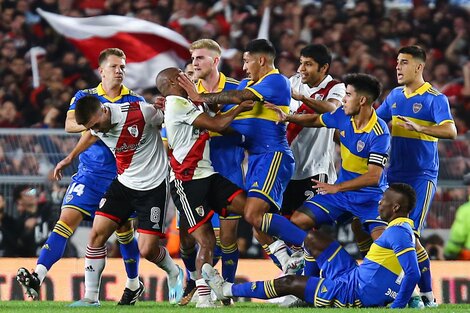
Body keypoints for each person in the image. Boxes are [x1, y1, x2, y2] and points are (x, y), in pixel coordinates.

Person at [16, 48, 144, 305]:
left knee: (124, 232)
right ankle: (37, 276)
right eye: (114, 66)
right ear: (102, 70)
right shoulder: (85, 97)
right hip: (89, 175)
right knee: (65, 222)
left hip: (121, 177)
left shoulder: (135, 101)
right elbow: (68, 124)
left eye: (122, 67)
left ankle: (133, 283)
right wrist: (95, 122)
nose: (119, 71)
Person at [53, 95, 184, 306]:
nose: (98, 130)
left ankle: (174, 271)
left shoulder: (141, 112)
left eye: (96, 125)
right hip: (123, 184)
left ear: (104, 110)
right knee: (96, 235)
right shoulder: (97, 126)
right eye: (91, 127)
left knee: (147, 250)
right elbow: (91, 135)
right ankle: (91, 298)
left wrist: (166, 107)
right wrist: (69, 158)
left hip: (153, 187)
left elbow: (170, 122)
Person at [202, 183, 421, 309]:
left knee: (288, 281)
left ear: (396, 207)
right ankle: (304, 294)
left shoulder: (397, 232)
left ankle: (226, 290)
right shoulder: (404, 230)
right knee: (314, 239)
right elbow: (422, 263)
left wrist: (397, 307)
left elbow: (413, 273)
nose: (379, 202)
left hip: (352, 293)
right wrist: (426, 295)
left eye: (384, 200)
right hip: (354, 273)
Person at [177, 39, 296, 256]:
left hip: (272, 154)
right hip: (255, 159)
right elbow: (223, 117)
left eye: (247, 61)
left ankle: (306, 245)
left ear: (261, 60)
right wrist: (189, 103)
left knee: (252, 215)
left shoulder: (277, 81)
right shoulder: (245, 84)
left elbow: (241, 97)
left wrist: (198, 96)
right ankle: (287, 262)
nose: (243, 67)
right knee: (257, 225)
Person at [157, 67, 252, 308]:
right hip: (187, 182)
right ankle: (202, 296)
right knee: (205, 241)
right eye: (181, 74)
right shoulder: (177, 104)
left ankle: (284, 252)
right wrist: (240, 107)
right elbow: (218, 125)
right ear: (172, 82)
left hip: (208, 175)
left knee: (250, 209)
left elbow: (215, 113)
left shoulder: (188, 102)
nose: (187, 76)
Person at [261, 73, 389, 253]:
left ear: (362, 100)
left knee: (382, 245)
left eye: (348, 95)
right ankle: (325, 259)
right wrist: (288, 117)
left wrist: (338, 187)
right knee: (299, 221)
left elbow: (374, 177)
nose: (343, 100)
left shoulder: (379, 132)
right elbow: (315, 119)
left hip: (370, 197)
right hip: (343, 195)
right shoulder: (343, 116)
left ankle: (374, 271)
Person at [377, 45, 457, 307]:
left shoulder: (435, 98)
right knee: (391, 232)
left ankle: (423, 296)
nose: (397, 67)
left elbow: (451, 131)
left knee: (411, 235)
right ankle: (418, 294)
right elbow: (376, 122)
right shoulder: (395, 95)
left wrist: (420, 126)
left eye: (404, 62)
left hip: (421, 174)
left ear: (419, 66)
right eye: (397, 62)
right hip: (394, 174)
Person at [177, 39, 244, 306]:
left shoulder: (238, 89)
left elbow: (243, 128)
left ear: (215, 61)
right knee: (188, 239)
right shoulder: (185, 97)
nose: (194, 63)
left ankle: (226, 292)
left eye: (199, 58)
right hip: (195, 175)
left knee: (227, 238)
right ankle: (191, 281)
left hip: (228, 171)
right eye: (192, 59)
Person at [275, 43, 346, 278]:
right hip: (288, 169)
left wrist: (300, 96)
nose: (302, 68)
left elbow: (331, 110)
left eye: (308, 64)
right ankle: (292, 269)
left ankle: (311, 282)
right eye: (301, 62)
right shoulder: (291, 81)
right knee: (270, 223)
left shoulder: (336, 87)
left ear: (323, 67)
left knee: (306, 226)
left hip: (316, 170)